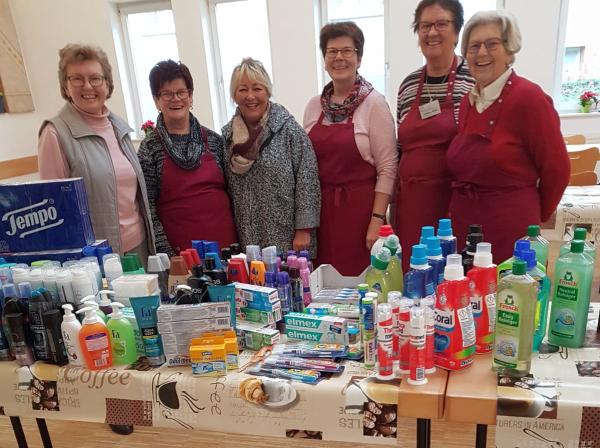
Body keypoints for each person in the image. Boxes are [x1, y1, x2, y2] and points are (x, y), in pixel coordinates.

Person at [447, 10, 570, 262]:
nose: (481, 53)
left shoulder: (529, 98)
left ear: (509, 50)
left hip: (510, 228)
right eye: (474, 46)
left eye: (492, 44)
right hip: (466, 226)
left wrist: (535, 216)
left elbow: (557, 169)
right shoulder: (468, 102)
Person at [39, 44, 155, 265]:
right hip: (96, 258)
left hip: (138, 247)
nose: (87, 86)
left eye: (95, 78)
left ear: (107, 83)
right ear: (65, 86)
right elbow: (54, 213)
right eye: (77, 79)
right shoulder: (55, 134)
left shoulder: (118, 127)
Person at [304, 22, 397, 276]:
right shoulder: (314, 106)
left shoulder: (374, 104)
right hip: (322, 216)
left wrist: (377, 219)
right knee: (323, 282)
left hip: (361, 214)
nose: (339, 57)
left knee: (362, 283)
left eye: (347, 50)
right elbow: (306, 167)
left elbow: (388, 168)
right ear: (324, 59)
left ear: (359, 58)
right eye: (332, 51)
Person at [394, 0, 475, 271]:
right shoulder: (407, 85)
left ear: (457, 31)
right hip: (411, 203)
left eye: (441, 24)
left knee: (450, 273)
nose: (431, 32)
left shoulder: (473, 79)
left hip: (452, 201)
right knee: (412, 272)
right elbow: (400, 147)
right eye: (425, 26)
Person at [137, 60, 237, 256]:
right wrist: (169, 257)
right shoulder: (150, 148)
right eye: (167, 94)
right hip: (181, 256)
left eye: (181, 92)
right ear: (157, 100)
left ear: (190, 96)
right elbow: (149, 210)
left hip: (227, 250)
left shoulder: (215, 141)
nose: (176, 99)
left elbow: (233, 196)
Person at [222, 58, 320, 255]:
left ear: (267, 91)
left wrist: (303, 231)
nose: (250, 96)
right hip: (247, 237)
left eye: (257, 88)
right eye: (243, 89)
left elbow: (307, 180)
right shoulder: (227, 137)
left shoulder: (289, 130)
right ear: (234, 95)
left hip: (287, 237)